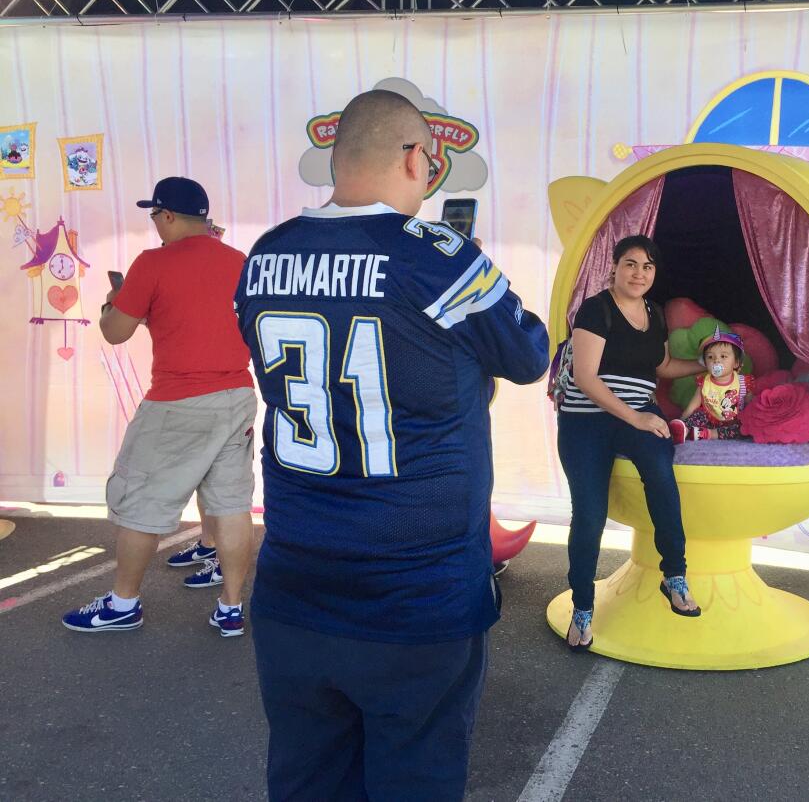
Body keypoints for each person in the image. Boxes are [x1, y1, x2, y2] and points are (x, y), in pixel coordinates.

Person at [236, 89, 548, 801]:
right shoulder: (436, 256)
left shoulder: (268, 252)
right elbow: (528, 356)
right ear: (417, 159)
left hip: (295, 581)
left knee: (308, 779)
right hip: (416, 591)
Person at [61, 177, 256, 637]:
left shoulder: (152, 264)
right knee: (230, 504)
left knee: (140, 502)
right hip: (238, 397)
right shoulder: (240, 261)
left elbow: (115, 332)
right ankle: (231, 606)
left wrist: (114, 300)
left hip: (178, 402)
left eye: (155, 216)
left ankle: (123, 603)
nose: (154, 225)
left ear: (167, 216)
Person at [557, 235, 706, 650]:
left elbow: (661, 365)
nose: (639, 273)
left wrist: (709, 363)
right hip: (586, 422)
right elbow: (585, 377)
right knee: (589, 515)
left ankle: (673, 575)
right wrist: (637, 416)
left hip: (636, 419)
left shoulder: (654, 313)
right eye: (630, 264)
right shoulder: (596, 308)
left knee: (661, 476)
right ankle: (582, 608)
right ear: (615, 267)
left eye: (647, 266)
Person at [670, 330, 755, 443]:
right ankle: (683, 430)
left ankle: (708, 434)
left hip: (734, 421)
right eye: (710, 357)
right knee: (698, 415)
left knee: (743, 428)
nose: (716, 360)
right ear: (705, 364)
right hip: (710, 419)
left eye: (723, 356)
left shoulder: (743, 382)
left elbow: (751, 406)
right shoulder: (704, 383)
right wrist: (682, 420)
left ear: (736, 363)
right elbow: (692, 407)